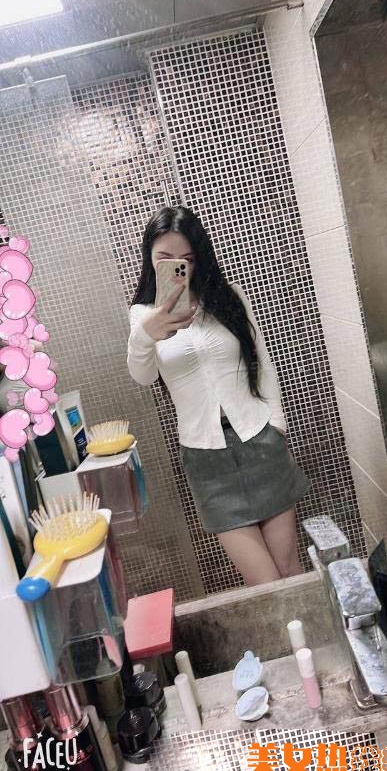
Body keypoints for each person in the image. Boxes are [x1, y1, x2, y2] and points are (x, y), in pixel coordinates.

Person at [127, 206, 310, 586]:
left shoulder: (229, 298)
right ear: (149, 257)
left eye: (188, 259)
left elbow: (262, 360)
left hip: (260, 442)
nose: (178, 267)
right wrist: (147, 333)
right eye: (165, 258)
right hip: (206, 457)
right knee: (265, 583)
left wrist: (277, 425)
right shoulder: (142, 315)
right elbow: (143, 376)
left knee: (290, 572)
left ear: (200, 258)